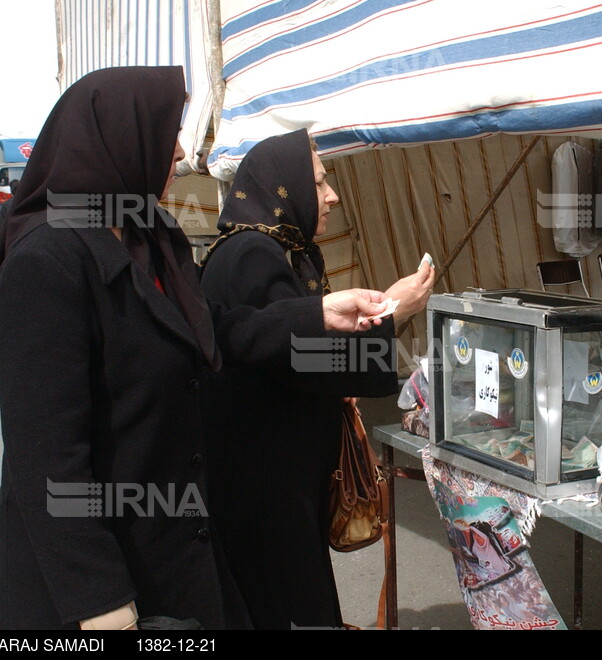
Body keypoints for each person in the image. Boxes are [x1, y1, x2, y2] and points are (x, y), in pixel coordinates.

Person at [0, 67, 391, 631]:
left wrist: (316, 313)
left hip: (173, 549)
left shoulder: (149, 237)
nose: (180, 150)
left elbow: (216, 328)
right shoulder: (46, 262)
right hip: (98, 577)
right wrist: (100, 603)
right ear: (118, 137)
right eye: (166, 130)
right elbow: (45, 459)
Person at [199, 129, 435, 629]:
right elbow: (300, 358)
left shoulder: (275, 249)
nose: (331, 196)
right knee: (287, 604)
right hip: (264, 487)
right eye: (320, 183)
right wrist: (394, 315)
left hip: (274, 478)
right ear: (284, 188)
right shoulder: (250, 256)